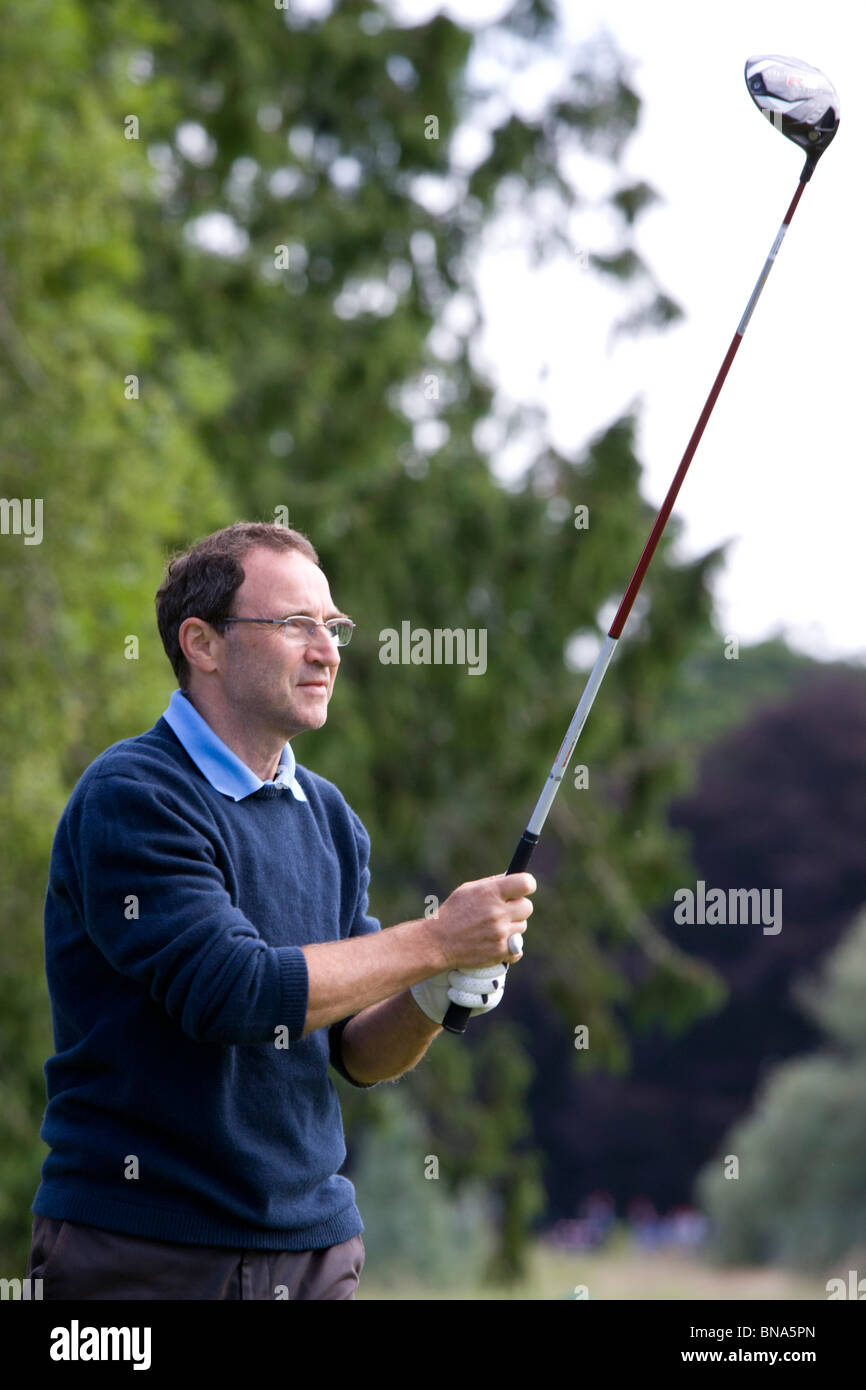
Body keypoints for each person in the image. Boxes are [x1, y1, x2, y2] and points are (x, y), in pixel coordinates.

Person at [26, 521, 535, 1300]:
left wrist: (435, 995)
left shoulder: (330, 817)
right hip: (141, 1253)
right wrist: (436, 940)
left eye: (333, 627)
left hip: (313, 1253)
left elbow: (358, 1052)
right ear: (204, 644)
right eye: (297, 624)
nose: (327, 650)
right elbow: (238, 995)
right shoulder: (133, 796)